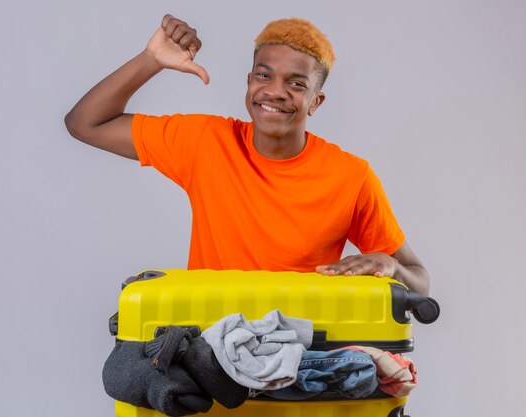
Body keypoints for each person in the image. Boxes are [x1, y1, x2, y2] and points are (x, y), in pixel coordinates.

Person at [65, 14, 430, 296]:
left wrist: (392, 266)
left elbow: (420, 281)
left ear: (316, 102)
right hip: (211, 349)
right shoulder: (206, 142)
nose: (275, 92)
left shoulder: (351, 177)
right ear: (249, 82)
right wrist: (151, 59)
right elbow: (85, 123)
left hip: (305, 355)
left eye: (296, 83)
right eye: (264, 75)